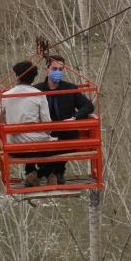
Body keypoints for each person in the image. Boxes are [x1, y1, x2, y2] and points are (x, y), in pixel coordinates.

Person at [33, 55, 95, 185]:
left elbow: (88, 106)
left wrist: (74, 117)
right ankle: (54, 174)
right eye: (54, 69)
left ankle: (45, 174)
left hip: (65, 135)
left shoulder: (70, 88)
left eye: (61, 69)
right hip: (44, 135)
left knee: (64, 142)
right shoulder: (37, 90)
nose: (58, 72)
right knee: (40, 145)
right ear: (47, 70)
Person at [0, 61, 56, 187]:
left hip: (15, 147)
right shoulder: (39, 96)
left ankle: (32, 173)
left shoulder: (6, 96)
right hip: (38, 148)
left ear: (17, 77)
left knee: (30, 142)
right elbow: (47, 125)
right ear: (33, 77)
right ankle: (41, 174)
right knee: (58, 146)